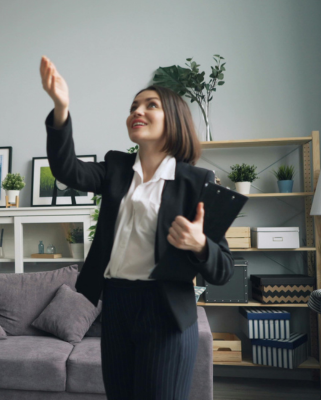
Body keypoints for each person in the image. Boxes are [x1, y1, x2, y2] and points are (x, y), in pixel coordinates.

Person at [39, 56, 234, 400]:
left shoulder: (197, 181)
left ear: (173, 119)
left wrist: (200, 244)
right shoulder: (116, 167)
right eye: (133, 107)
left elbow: (224, 270)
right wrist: (61, 108)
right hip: (116, 305)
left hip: (166, 310)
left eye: (150, 105)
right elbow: (67, 169)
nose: (137, 111)